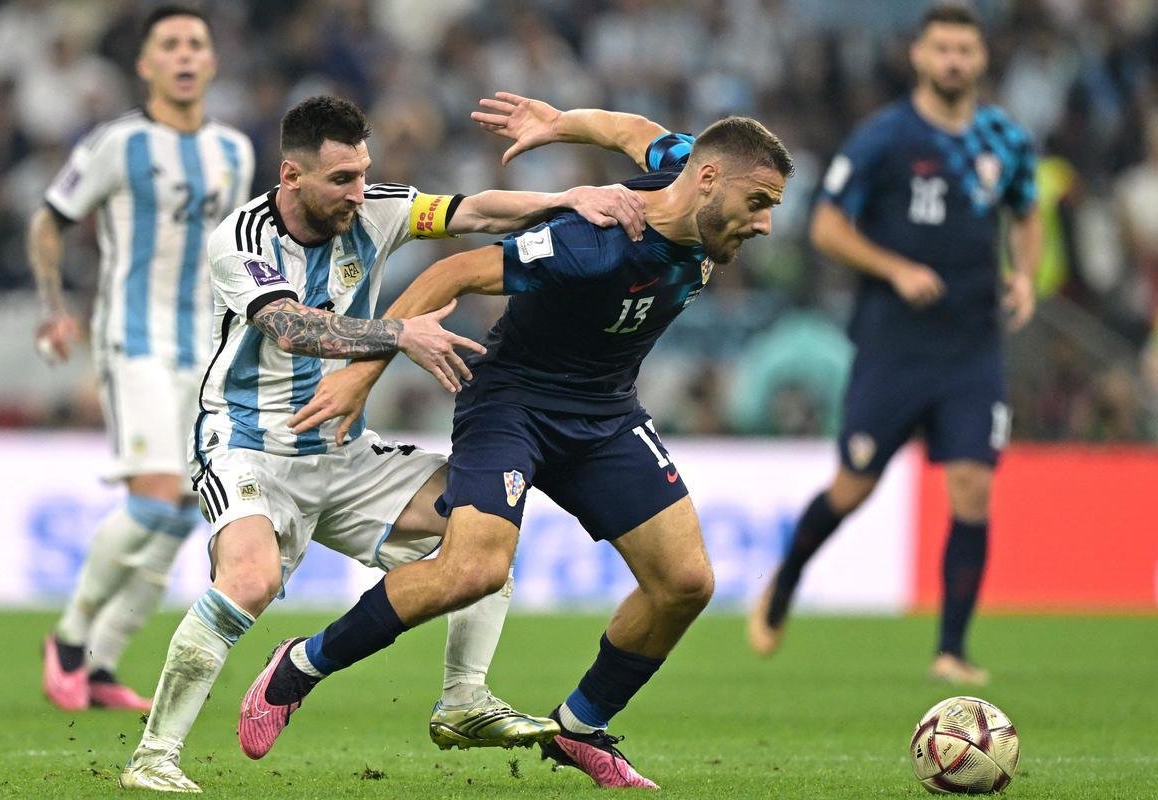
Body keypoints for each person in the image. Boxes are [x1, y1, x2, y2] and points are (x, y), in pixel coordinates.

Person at [237, 93, 793, 789]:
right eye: (760, 201)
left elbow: (634, 129)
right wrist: (360, 379)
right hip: (514, 403)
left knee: (685, 582)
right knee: (473, 569)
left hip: (606, 412)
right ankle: (301, 665)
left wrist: (558, 123)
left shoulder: (685, 161)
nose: (767, 224)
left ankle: (582, 726)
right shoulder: (593, 242)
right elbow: (450, 273)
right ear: (709, 181)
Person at [119, 94, 649, 793]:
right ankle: (153, 756)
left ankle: (464, 699)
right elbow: (288, 328)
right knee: (250, 580)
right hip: (248, 444)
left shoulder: (377, 209)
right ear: (291, 176)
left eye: (363, 174)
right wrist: (400, 333)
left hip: (342, 452)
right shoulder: (241, 240)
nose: (358, 192)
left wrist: (569, 198)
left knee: (480, 521)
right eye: (341, 179)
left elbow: (474, 211)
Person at [747, 3, 1041, 686]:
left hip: (972, 346)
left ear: (981, 58)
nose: (953, 61)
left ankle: (952, 649)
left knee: (972, 485)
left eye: (964, 50)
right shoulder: (884, 137)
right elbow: (824, 226)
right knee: (852, 488)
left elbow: (1026, 211)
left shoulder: (1005, 139)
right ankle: (785, 581)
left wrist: (1024, 275)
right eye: (941, 48)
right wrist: (895, 268)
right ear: (919, 55)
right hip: (893, 347)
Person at [29, 5, 254, 713]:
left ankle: (100, 665)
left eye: (196, 44)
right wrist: (52, 306)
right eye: (170, 45)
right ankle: (68, 641)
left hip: (206, 349)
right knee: (157, 494)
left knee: (187, 509)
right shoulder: (116, 144)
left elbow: (237, 251)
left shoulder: (234, 151)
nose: (185, 55)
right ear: (146, 64)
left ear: (212, 62)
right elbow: (48, 221)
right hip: (133, 336)